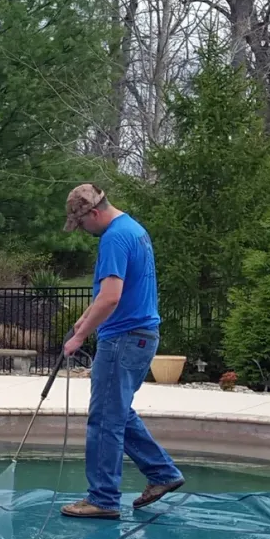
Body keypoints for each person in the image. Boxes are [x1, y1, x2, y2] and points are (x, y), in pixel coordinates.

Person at [58, 183, 185, 519]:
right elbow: (110, 296)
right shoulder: (134, 230)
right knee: (119, 412)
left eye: (82, 224)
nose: (84, 232)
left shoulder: (114, 237)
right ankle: (163, 474)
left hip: (124, 338)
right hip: (141, 335)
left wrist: (78, 337)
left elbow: (112, 297)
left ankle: (102, 499)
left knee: (104, 420)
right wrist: (83, 320)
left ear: (93, 214)